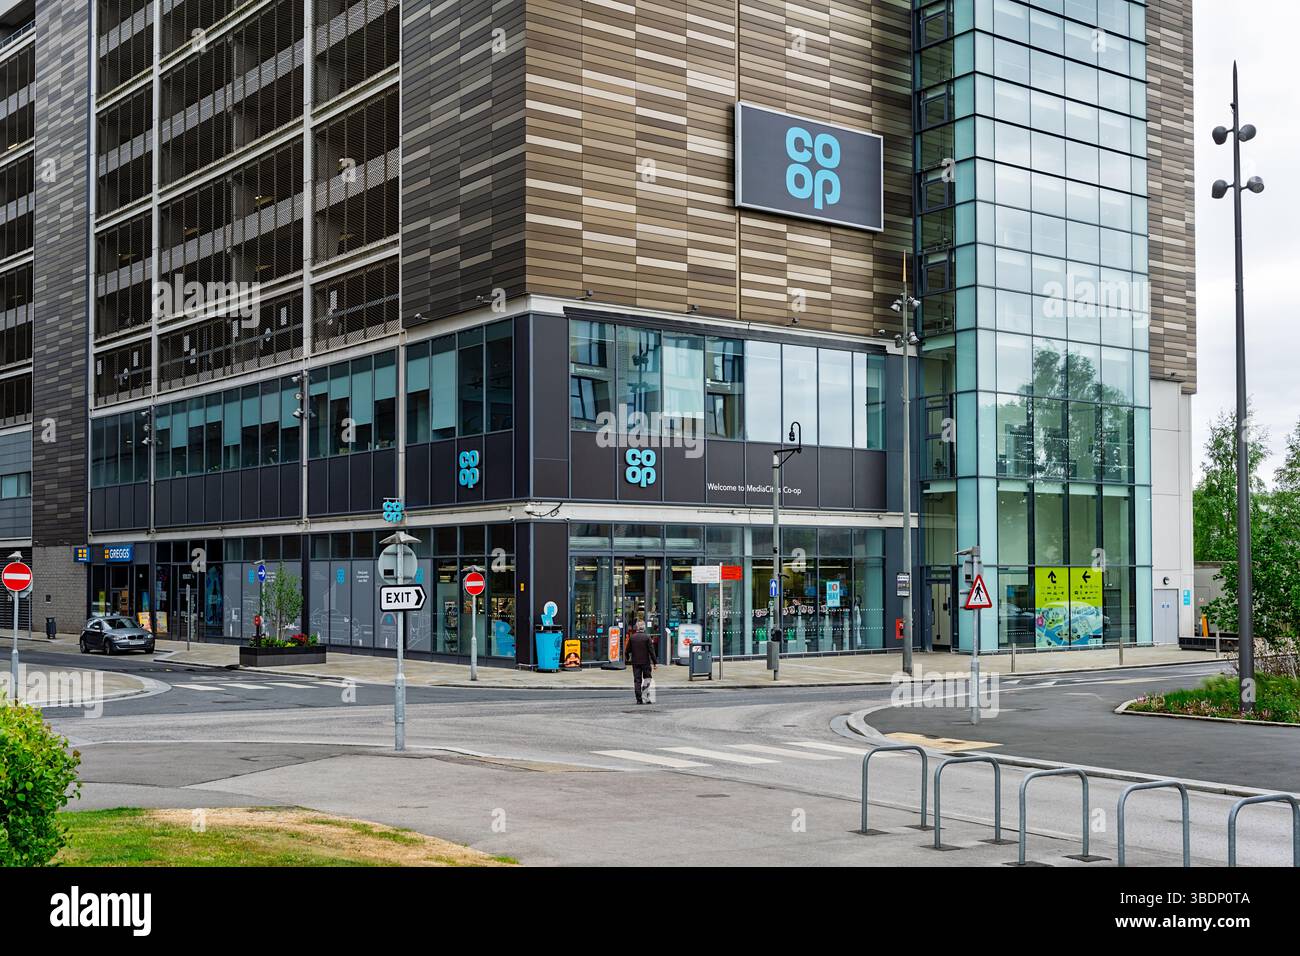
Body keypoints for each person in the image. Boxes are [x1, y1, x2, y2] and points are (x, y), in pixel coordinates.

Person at [625, 620, 656, 705]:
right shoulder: (647, 637)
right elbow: (651, 651)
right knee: (647, 679)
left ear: (637, 628)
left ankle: (639, 699)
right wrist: (655, 662)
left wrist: (627, 657)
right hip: (645, 662)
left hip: (635, 662)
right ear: (644, 628)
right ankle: (645, 697)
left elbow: (627, 650)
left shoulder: (632, 637)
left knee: (637, 680)